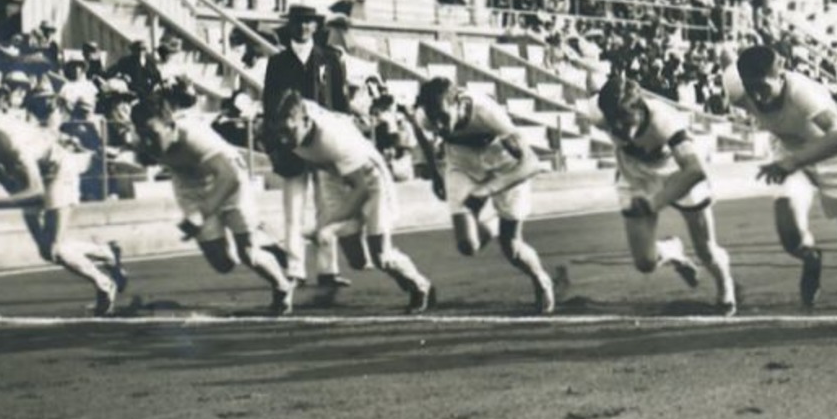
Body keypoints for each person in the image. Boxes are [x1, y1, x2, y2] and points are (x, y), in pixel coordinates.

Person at [725, 45, 837, 313]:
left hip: (834, 156)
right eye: (749, 87)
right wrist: (791, 161)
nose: (756, 95)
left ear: (780, 76)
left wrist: (792, 162)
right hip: (791, 153)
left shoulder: (803, 93)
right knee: (789, 231)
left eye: (762, 87)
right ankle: (811, 258)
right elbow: (728, 65)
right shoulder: (736, 88)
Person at [0, 96, 128, 315]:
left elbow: (36, 192)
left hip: (57, 170)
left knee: (57, 248)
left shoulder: (7, 138)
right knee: (47, 252)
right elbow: (2, 169)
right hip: (29, 176)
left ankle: (105, 284)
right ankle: (106, 253)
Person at [579, 72, 739, 316]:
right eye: (613, 121)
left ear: (640, 108)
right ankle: (672, 250)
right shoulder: (599, 114)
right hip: (635, 177)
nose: (619, 127)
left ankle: (725, 287)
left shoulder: (665, 121)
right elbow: (592, 94)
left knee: (705, 248)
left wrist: (655, 203)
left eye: (624, 118)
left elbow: (696, 170)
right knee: (645, 262)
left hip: (677, 174)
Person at [132, 92, 298, 315]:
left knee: (248, 254)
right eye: (142, 135)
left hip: (230, 181)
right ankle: (258, 236)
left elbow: (229, 177)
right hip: (191, 188)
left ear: (171, 126)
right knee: (224, 264)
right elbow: (145, 155)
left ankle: (281, 286)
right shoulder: (145, 143)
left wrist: (202, 213)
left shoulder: (194, 137)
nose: (147, 141)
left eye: (152, 134)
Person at [268, 89, 433, 313]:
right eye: (279, 132)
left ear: (306, 121)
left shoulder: (332, 139)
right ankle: (387, 266)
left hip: (369, 178)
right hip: (334, 175)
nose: (283, 139)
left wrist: (325, 225)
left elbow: (361, 190)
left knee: (381, 256)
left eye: (288, 131)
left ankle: (420, 286)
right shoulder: (293, 122)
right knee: (356, 260)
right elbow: (293, 103)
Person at [409, 77, 555, 314]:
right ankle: (492, 222)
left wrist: (485, 191)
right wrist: (436, 173)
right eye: (433, 119)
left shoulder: (487, 112)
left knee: (512, 246)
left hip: (503, 164)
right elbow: (420, 129)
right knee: (468, 245)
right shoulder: (426, 116)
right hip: (462, 163)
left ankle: (540, 278)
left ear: (458, 103)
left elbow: (530, 164)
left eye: (444, 117)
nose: (439, 126)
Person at [262, 4, 349, 288]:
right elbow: (270, 106)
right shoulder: (277, 62)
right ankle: (295, 269)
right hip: (292, 145)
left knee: (328, 207)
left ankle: (328, 269)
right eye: (298, 22)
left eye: (308, 22)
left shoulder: (330, 59)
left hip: (324, 142)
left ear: (315, 26)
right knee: (293, 208)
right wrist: (275, 144)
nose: (302, 28)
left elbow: (340, 103)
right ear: (290, 26)